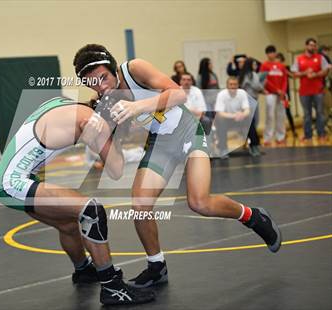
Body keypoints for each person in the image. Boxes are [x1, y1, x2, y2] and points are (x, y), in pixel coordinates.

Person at [73, 44, 282, 289]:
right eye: (92, 83)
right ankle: (156, 265)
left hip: (186, 130)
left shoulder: (134, 69)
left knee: (199, 202)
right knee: (140, 204)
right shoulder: (105, 101)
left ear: (113, 68)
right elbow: (116, 169)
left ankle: (253, 217)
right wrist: (101, 134)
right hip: (160, 142)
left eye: (103, 78)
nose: (101, 86)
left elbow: (178, 94)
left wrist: (137, 106)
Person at [0, 96, 155, 305]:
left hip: (12, 177)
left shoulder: (65, 103)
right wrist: (111, 138)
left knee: (68, 223)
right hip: (13, 182)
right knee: (92, 212)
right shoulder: (95, 123)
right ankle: (111, 287)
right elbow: (116, 171)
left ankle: (83, 270)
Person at [292, 38, 329, 143]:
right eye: (311, 45)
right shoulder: (299, 59)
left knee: (320, 113)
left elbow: (326, 70)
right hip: (304, 92)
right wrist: (305, 73)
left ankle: (321, 134)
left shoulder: (320, 57)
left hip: (318, 90)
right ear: (306, 46)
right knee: (307, 114)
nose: (313, 47)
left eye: (314, 45)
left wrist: (316, 74)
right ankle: (308, 136)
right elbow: (294, 74)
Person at [216, 77, 260, 157]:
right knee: (220, 120)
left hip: (240, 118)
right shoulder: (221, 95)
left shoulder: (242, 93)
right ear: (227, 86)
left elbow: (247, 110)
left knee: (250, 119)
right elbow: (220, 113)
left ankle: (254, 146)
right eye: (231, 84)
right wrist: (234, 115)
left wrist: (242, 115)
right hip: (227, 119)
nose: (233, 86)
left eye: (235, 84)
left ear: (238, 85)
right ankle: (223, 149)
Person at [260, 45, 288, 146]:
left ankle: (280, 136)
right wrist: (276, 90)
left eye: (273, 52)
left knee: (281, 115)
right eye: (269, 52)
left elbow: (285, 79)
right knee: (270, 116)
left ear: (275, 53)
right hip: (271, 94)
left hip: (281, 94)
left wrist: (283, 91)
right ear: (267, 54)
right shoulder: (264, 65)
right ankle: (267, 138)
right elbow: (265, 80)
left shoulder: (281, 66)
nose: (271, 54)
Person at [276, 52, 297, 138]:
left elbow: (294, 76)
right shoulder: (274, 69)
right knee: (279, 114)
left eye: (280, 61)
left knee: (288, 112)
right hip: (276, 94)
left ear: (282, 61)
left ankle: (293, 130)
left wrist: (286, 71)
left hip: (286, 95)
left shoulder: (286, 68)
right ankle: (281, 133)